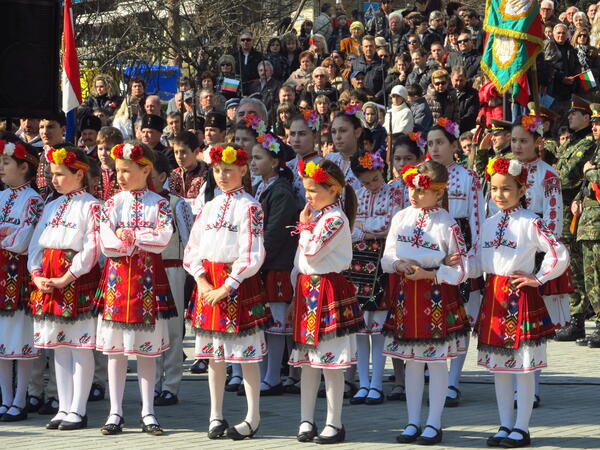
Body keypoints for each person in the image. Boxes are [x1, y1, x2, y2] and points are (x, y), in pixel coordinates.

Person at [470, 157, 569, 448]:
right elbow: (477, 262)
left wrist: (538, 278)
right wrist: (449, 263)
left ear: (521, 189)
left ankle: (522, 428)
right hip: (494, 297)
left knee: (523, 368)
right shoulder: (488, 224)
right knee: (500, 368)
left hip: (520, 296)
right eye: (495, 189)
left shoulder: (531, 221)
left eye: (507, 189)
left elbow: (558, 252)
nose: (500, 195)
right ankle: (504, 424)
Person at [184, 143, 270, 440]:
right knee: (215, 356)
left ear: (243, 170)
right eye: (218, 170)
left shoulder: (250, 207)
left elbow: (253, 253)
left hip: (238, 283)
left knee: (246, 356)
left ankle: (252, 415)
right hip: (209, 283)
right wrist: (202, 281)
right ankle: (215, 414)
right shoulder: (208, 206)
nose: (222, 175)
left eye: (229, 170)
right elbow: (193, 248)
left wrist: (228, 285)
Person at [382, 160, 469, 445]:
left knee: (435, 361)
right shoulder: (401, 217)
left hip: (435, 296)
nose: (414, 195)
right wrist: (398, 264)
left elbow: (461, 269)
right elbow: (387, 256)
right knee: (412, 362)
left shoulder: (448, 224)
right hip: (407, 295)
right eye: (411, 188)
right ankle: (412, 422)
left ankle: (434, 423)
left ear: (439, 192)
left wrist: (431, 273)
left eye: (422, 189)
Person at [94, 142, 176, 436]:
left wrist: (128, 235)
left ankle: (148, 411)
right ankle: (115, 412)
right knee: (115, 352)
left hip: (147, 283)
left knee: (146, 351)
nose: (121, 176)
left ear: (146, 169)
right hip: (118, 281)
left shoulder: (160, 203)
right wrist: (135, 238)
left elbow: (164, 237)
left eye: (127, 170)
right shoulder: (112, 203)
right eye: (118, 171)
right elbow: (107, 242)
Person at [290, 159, 362, 444]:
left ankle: (334, 422)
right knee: (308, 362)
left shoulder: (335, 219)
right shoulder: (318, 217)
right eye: (306, 190)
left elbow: (312, 253)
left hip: (329, 289)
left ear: (333, 190)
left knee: (331, 363)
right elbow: (300, 261)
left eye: (314, 190)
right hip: (309, 290)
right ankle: (306, 419)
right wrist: (296, 290)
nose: (308, 196)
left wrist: (305, 227)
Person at [29, 146, 100, 430]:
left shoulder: (92, 206)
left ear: (79, 174)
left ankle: (79, 409)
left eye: (60, 174)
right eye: (52, 174)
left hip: (75, 281)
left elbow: (92, 248)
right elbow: (37, 243)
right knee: (59, 345)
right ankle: (63, 405)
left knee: (79, 345)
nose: (54, 179)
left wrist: (68, 276)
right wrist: (36, 274)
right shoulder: (51, 206)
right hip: (49, 281)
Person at [426, 118, 484, 407]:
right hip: (430, 249)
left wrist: (473, 256)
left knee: (460, 316)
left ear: (452, 146)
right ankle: (434, 370)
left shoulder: (469, 177)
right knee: (433, 311)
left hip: (461, 249)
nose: (434, 148)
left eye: (440, 142)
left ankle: (453, 380)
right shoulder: (421, 175)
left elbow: (476, 217)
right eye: (430, 143)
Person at [346, 150, 402, 406]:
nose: (372, 185)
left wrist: (364, 230)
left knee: (377, 327)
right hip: (357, 263)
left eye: (375, 178)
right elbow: (350, 222)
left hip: (380, 263)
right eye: (367, 181)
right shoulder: (356, 194)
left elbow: (391, 224)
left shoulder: (394, 192)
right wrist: (365, 228)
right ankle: (363, 382)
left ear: (382, 170)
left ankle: (377, 383)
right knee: (360, 326)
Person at [249, 134, 298, 396]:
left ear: (275, 161)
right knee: (267, 321)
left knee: (277, 321)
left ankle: (272, 376)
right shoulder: (263, 186)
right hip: (263, 261)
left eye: (259, 157)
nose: (253, 162)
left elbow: (276, 231)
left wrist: (257, 255)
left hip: (276, 262)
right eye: (253, 157)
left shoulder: (281, 191)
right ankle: (266, 374)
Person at [0, 137, 44, 422]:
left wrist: (6, 235)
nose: (1, 168)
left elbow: (23, 241)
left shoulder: (34, 201)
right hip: (1, 274)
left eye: (6, 162)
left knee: (21, 338)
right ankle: (5, 398)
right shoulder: (2, 197)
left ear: (24, 167)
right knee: (2, 341)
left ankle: (21, 397)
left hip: (19, 276)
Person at [151, 152, 194, 407]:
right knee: (152, 327)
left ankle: (171, 384)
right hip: (149, 269)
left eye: (151, 176)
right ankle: (153, 381)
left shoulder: (177, 204)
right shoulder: (141, 203)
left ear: (163, 176)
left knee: (174, 329)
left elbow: (189, 239)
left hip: (173, 268)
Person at [554, 96, 596, 342]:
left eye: (574, 114)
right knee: (570, 266)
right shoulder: (571, 143)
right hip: (565, 208)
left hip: (577, 210)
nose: (569, 117)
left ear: (586, 118)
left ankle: (580, 318)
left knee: (580, 268)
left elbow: (566, 176)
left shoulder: (589, 143)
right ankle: (575, 320)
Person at [573, 103, 600, 348]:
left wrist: (589, 172)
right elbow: (587, 188)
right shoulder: (596, 152)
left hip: (598, 226)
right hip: (588, 225)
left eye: (598, 123)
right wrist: (576, 199)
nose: (594, 127)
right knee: (591, 279)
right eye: (593, 123)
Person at [326, 106, 365, 192]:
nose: (337, 137)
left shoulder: (367, 162)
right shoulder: (329, 160)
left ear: (357, 132)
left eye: (343, 131)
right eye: (333, 132)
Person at [168, 131, 207, 203]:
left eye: (183, 152)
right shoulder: (172, 175)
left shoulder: (206, 175)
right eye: (176, 152)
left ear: (196, 152)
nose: (179, 156)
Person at [351, 35, 388, 103]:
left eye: (371, 46)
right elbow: (351, 82)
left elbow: (386, 85)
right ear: (362, 48)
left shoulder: (383, 64)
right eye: (366, 46)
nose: (368, 48)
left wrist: (376, 96)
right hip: (359, 104)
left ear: (375, 47)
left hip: (377, 102)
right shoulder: (355, 63)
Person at [451, 66, 479, 133]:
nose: (459, 83)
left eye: (461, 80)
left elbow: (471, 115)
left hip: (465, 131)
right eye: (456, 80)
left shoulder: (473, 94)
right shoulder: (447, 93)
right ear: (451, 79)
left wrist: (455, 125)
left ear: (466, 79)